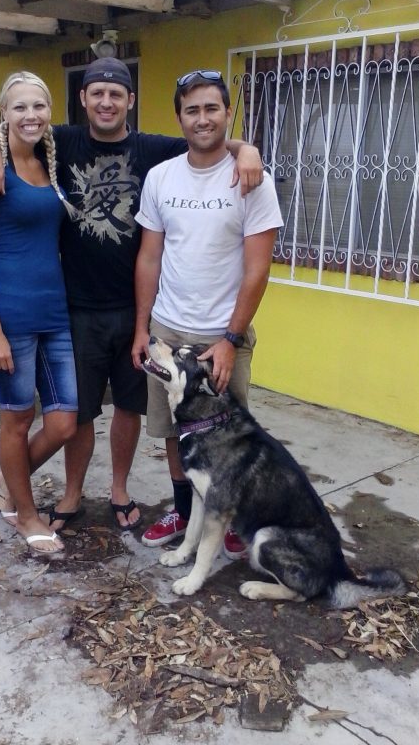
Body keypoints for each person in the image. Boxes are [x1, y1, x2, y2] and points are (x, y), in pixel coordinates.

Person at [0, 57, 263, 532]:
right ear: (83, 100)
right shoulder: (59, 140)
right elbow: (1, 131)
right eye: (96, 93)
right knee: (78, 412)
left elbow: (206, 138)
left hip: (136, 310)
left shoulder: (153, 149)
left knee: (129, 406)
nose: (106, 102)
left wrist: (246, 149)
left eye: (116, 93)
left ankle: (120, 489)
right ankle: (70, 494)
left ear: (131, 101)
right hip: (75, 307)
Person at [131, 69, 283, 558]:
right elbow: (149, 257)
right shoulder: (161, 177)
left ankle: (229, 517)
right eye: (192, 110)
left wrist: (231, 339)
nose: (202, 118)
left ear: (226, 114)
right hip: (168, 329)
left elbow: (258, 269)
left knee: (229, 436)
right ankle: (183, 509)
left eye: (211, 108)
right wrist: (142, 328)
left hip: (222, 334)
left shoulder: (251, 178)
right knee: (176, 431)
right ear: (180, 117)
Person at [0, 71, 78, 555]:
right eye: (19, 107)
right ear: (4, 114)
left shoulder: (50, 162)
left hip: (55, 313)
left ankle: (9, 484)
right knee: (17, 418)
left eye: (39, 106)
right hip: (8, 314)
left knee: (63, 422)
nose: (30, 115)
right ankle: (24, 512)